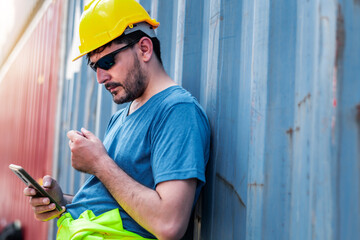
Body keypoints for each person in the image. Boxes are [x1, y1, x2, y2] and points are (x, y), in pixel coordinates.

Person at [23, 0, 210, 239]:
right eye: (94, 67)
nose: (100, 77)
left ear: (144, 49)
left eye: (107, 62)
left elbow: (168, 224)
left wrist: (99, 163)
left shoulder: (177, 111)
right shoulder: (121, 118)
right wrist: (63, 201)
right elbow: (116, 208)